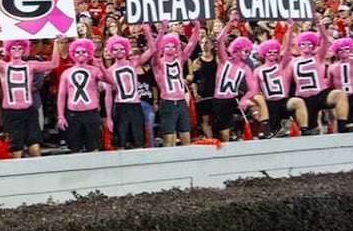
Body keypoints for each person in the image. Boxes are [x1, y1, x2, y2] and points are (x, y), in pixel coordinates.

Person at [0, 24, 61, 158]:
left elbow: (54, 64)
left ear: (24, 49)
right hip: (11, 113)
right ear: (9, 49)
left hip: (29, 111)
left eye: (20, 47)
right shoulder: (3, 67)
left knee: (35, 148)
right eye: (13, 47)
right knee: (16, 151)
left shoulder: (30, 66)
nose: (17, 50)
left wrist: (56, 43)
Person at [290, 13, 353, 134]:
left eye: (309, 43)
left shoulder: (318, 57)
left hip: (320, 93)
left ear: (314, 45)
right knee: (310, 130)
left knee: (340, 95)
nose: (306, 46)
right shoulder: (293, 61)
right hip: (303, 98)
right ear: (298, 46)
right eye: (303, 44)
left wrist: (319, 24)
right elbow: (286, 49)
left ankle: (343, 126)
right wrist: (290, 30)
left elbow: (325, 40)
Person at [212, 12, 269, 141]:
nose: (248, 54)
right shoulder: (224, 60)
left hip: (234, 99)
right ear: (236, 49)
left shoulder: (245, 68)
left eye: (249, 51)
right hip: (220, 101)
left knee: (258, 101)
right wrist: (229, 23)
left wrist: (244, 99)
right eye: (246, 51)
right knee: (224, 134)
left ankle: (265, 129)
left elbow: (253, 89)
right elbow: (220, 40)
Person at [101, 26, 155, 149]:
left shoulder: (133, 64)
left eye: (121, 48)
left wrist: (147, 33)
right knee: (120, 142)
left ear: (126, 49)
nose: (119, 51)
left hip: (136, 106)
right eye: (115, 49)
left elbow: (152, 49)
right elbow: (108, 96)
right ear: (110, 51)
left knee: (139, 141)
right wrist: (109, 117)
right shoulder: (110, 71)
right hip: (120, 107)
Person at [151, 19, 201, 147]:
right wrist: (162, 30)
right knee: (169, 138)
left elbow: (190, 46)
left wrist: (197, 28)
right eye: (167, 46)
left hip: (181, 101)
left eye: (173, 46)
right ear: (163, 47)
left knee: (186, 136)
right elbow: (155, 50)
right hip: (167, 102)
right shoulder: (159, 63)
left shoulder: (179, 60)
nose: (170, 48)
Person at [56, 38, 110, 153]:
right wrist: (61, 116)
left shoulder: (95, 70)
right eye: (78, 52)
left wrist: (101, 66)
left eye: (84, 52)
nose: (80, 54)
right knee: (74, 148)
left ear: (89, 54)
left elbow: (111, 81)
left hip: (91, 113)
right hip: (73, 114)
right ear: (73, 54)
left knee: (94, 146)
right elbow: (61, 96)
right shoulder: (66, 73)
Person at [254, 33, 311, 137]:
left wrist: (289, 30)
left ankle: (304, 129)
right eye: (269, 52)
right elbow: (255, 91)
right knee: (274, 132)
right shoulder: (258, 71)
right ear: (264, 53)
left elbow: (288, 49)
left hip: (284, 102)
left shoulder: (283, 66)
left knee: (298, 101)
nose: (272, 54)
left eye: (275, 52)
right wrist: (257, 109)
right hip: (269, 103)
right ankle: (269, 130)